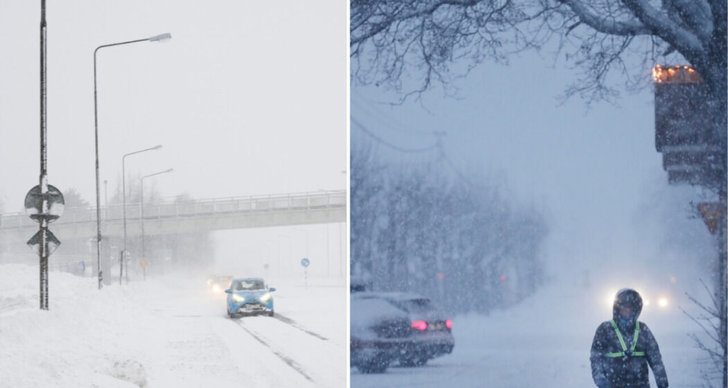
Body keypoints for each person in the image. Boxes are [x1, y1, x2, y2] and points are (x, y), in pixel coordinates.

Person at [590, 288, 669, 388]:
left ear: (635, 309)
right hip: (612, 385)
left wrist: (662, 382)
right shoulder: (605, 329)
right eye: (624, 307)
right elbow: (596, 358)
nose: (627, 310)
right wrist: (601, 380)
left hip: (640, 385)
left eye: (630, 307)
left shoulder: (643, 329)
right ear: (617, 308)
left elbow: (656, 359)